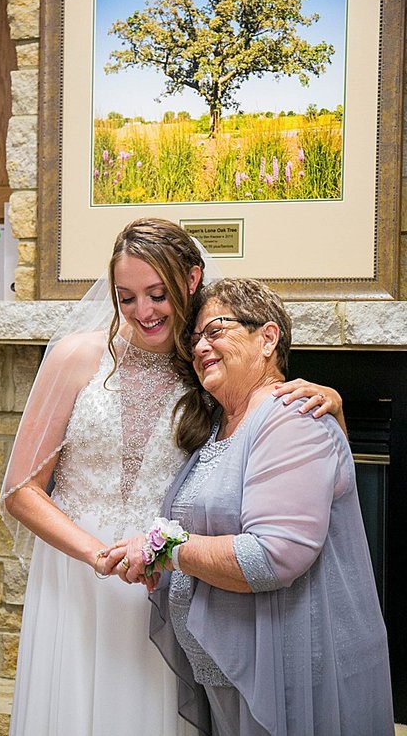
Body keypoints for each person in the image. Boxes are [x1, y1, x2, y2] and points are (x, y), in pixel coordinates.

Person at [0, 219, 342, 736]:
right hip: (74, 574)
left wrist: (332, 405)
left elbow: (262, 442)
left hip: (162, 575)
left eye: (157, 294)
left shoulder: (209, 369)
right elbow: (21, 490)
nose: (143, 312)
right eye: (127, 297)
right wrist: (95, 554)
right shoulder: (75, 357)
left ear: (190, 281)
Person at [107, 278, 394, 736]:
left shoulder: (292, 419)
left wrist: (165, 547)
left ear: (268, 337)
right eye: (195, 337)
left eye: (215, 329)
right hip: (233, 675)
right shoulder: (219, 425)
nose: (201, 345)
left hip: (290, 676)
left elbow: (271, 557)